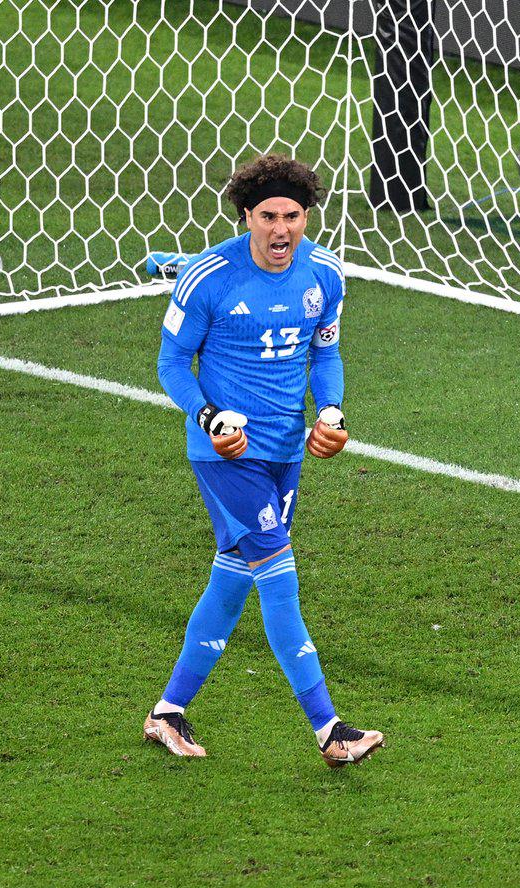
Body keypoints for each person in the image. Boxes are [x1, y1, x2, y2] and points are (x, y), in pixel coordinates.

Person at [145, 154, 384, 767]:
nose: (281, 230)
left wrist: (331, 412)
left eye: (293, 216)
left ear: (307, 217)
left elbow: (325, 354)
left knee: (233, 574)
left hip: (285, 449)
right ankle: (330, 730)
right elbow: (171, 364)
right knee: (279, 577)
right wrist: (209, 418)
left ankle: (167, 713)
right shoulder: (209, 278)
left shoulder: (325, 274)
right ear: (247, 216)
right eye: (268, 217)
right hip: (226, 453)